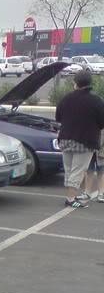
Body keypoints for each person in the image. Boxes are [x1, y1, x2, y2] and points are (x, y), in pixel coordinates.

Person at [55, 70, 104, 208]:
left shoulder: (66, 98)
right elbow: (102, 122)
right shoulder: (96, 101)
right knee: (78, 170)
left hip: (65, 139)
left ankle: (70, 196)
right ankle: (71, 199)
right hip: (85, 141)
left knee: (69, 169)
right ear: (90, 83)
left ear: (75, 83)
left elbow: (58, 117)